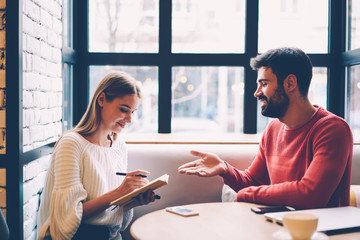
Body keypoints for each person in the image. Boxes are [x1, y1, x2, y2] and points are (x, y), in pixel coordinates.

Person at [178, 47, 353, 210]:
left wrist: (247, 194)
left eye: (264, 83)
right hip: (280, 227)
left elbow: (311, 194)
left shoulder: (332, 130)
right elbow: (253, 181)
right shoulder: (273, 129)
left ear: (290, 83)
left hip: (321, 232)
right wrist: (225, 169)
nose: (257, 92)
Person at [37, 71, 157, 240]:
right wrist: (118, 192)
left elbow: (116, 221)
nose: (129, 119)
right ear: (101, 100)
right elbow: (66, 221)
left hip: (111, 235)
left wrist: (130, 202)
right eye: (124, 110)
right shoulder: (72, 143)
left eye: (133, 112)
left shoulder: (119, 147)